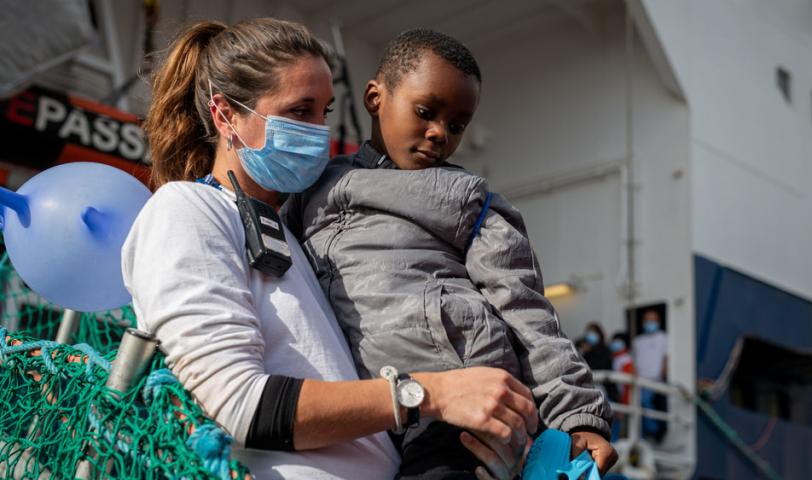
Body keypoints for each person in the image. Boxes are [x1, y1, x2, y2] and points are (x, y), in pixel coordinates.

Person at [123, 19, 539, 480]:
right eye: (300, 111)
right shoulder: (187, 210)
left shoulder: (298, 236)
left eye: (323, 112)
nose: (318, 131)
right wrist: (430, 394)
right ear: (225, 116)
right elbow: (238, 405)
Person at [288, 29, 616, 478]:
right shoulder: (309, 189)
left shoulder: (467, 200)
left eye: (457, 124)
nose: (439, 133)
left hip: (463, 404)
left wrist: (579, 417)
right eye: (425, 112)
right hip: (376, 406)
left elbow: (528, 312)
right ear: (374, 97)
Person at [632, 309, 668, 442]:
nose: (650, 323)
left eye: (653, 320)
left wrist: (664, 375)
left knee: (644, 402)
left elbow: (665, 358)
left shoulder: (663, 337)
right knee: (637, 407)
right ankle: (643, 435)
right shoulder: (637, 341)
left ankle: (653, 431)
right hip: (639, 380)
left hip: (656, 380)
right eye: (647, 320)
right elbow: (634, 360)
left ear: (658, 322)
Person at [608, 332, 634, 440]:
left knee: (621, 422)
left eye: (618, 341)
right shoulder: (612, 358)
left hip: (622, 396)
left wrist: (624, 401)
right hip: (613, 395)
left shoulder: (627, 359)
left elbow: (628, 384)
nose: (615, 344)